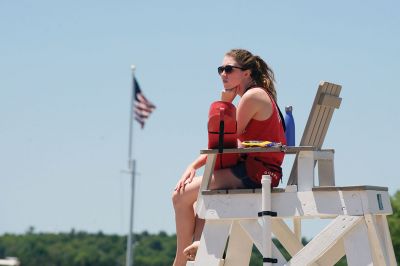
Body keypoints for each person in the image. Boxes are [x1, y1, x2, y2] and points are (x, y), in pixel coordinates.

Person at [171, 49, 286, 266]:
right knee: (197, 196)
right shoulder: (257, 95)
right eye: (220, 70)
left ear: (246, 73)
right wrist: (193, 166)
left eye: (228, 69)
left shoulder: (252, 96)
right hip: (259, 169)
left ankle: (181, 260)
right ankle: (197, 245)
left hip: (257, 172)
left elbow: (226, 142)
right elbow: (232, 143)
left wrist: (225, 105)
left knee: (180, 196)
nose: (223, 74)